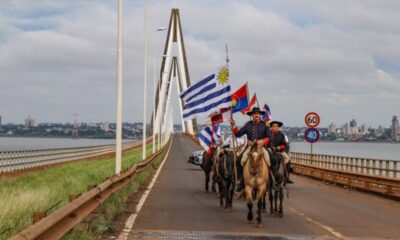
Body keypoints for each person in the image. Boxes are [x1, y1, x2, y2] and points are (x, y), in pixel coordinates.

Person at [230, 107, 272, 192]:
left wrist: (263, 141)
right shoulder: (248, 125)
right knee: (239, 161)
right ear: (252, 115)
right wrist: (233, 125)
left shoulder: (265, 126)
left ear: (260, 115)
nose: (256, 115)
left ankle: (271, 182)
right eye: (254, 113)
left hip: (261, 147)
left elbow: (269, 137)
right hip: (250, 147)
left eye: (257, 113)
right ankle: (241, 182)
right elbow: (238, 134)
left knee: (271, 160)